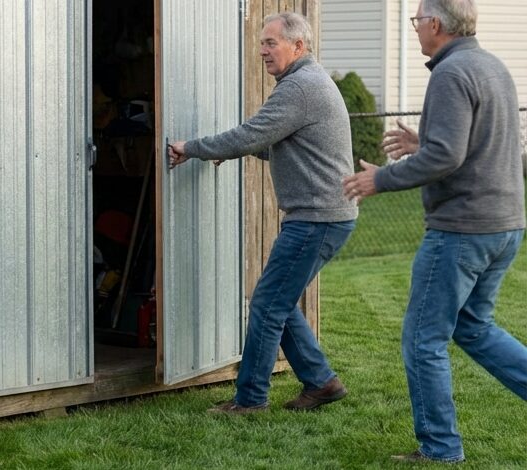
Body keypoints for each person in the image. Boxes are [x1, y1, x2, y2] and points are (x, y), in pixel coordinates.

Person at [343, 0, 527, 463]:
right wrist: (421, 143)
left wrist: (377, 179)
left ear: (436, 24)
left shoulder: (450, 73)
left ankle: (440, 448)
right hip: (504, 226)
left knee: (423, 340)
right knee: (474, 327)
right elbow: (471, 146)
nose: (415, 28)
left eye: (417, 20)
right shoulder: (491, 66)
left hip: (462, 230)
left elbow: (447, 158)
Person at [168, 12, 358, 414]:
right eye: (261, 43)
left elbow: (252, 134)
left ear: (298, 46)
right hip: (326, 214)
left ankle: (250, 399)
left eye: (271, 43)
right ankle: (321, 382)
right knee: (278, 301)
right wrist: (227, 151)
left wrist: (195, 147)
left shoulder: (300, 87)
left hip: (317, 217)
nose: (262, 51)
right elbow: (279, 142)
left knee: (267, 303)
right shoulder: (308, 82)